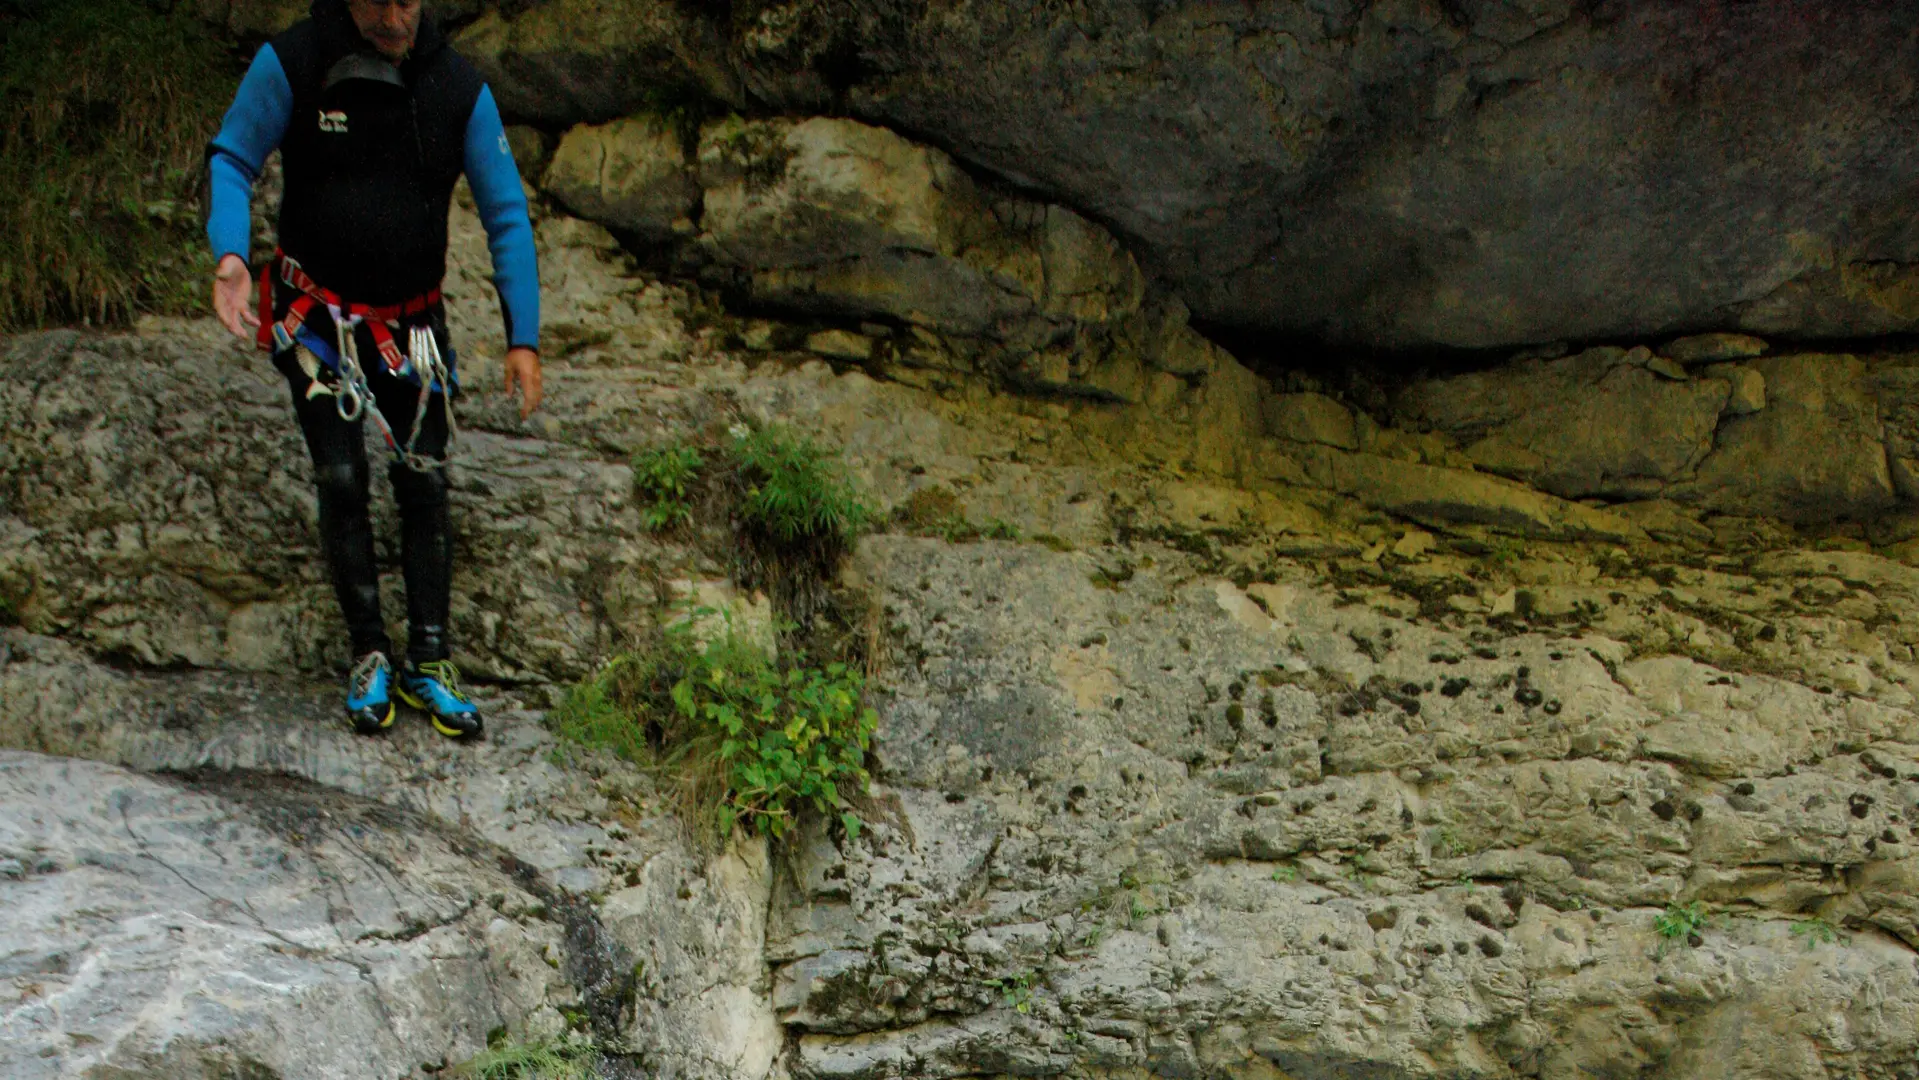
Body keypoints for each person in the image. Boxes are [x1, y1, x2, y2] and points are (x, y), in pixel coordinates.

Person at [206, 0, 541, 740]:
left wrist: (525, 336)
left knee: (424, 479)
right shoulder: (294, 61)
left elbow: (506, 212)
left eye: (406, 0)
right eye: (375, 0)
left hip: (411, 324)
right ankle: (369, 651)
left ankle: (430, 657)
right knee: (342, 477)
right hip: (315, 320)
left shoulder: (456, 88)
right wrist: (231, 253)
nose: (393, 17)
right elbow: (233, 156)